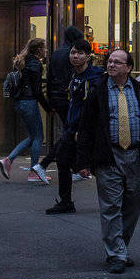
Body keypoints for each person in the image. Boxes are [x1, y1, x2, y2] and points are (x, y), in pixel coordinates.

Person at [75, 49, 140, 274]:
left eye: (117, 62)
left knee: (133, 205)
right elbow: (85, 128)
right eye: (110, 61)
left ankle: (120, 246)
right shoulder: (98, 91)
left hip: (137, 156)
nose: (112, 65)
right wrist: (83, 161)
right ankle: (116, 253)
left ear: (128, 67)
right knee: (111, 206)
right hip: (109, 156)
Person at [46, 40, 105, 214]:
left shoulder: (94, 77)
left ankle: (115, 200)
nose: (75, 56)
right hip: (71, 128)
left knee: (97, 166)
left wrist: (83, 129)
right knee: (63, 161)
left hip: (84, 130)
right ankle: (65, 201)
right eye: (73, 52)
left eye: (79, 53)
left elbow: (91, 107)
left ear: (88, 56)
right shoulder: (75, 75)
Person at [0, 38, 52, 184]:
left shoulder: (23, 61)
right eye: (44, 48)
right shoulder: (35, 64)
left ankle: (8, 160)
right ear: (39, 49)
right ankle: (34, 171)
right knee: (38, 137)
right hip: (29, 103)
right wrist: (48, 108)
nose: (46, 51)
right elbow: (37, 90)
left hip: (20, 102)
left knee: (33, 136)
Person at [37, 26, 82, 175]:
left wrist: (50, 100)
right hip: (67, 97)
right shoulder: (71, 55)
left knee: (70, 130)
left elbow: (49, 78)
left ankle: (74, 168)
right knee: (70, 131)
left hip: (56, 97)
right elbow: (71, 77)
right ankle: (45, 164)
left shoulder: (55, 54)